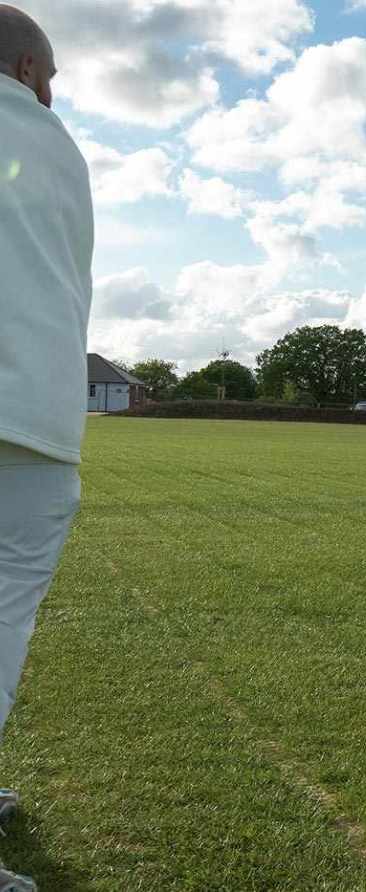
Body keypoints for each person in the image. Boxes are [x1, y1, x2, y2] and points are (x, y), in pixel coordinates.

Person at [1, 6, 92, 888]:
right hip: (26, 419)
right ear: (29, 67)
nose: (53, 91)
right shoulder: (50, 139)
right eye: (51, 74)